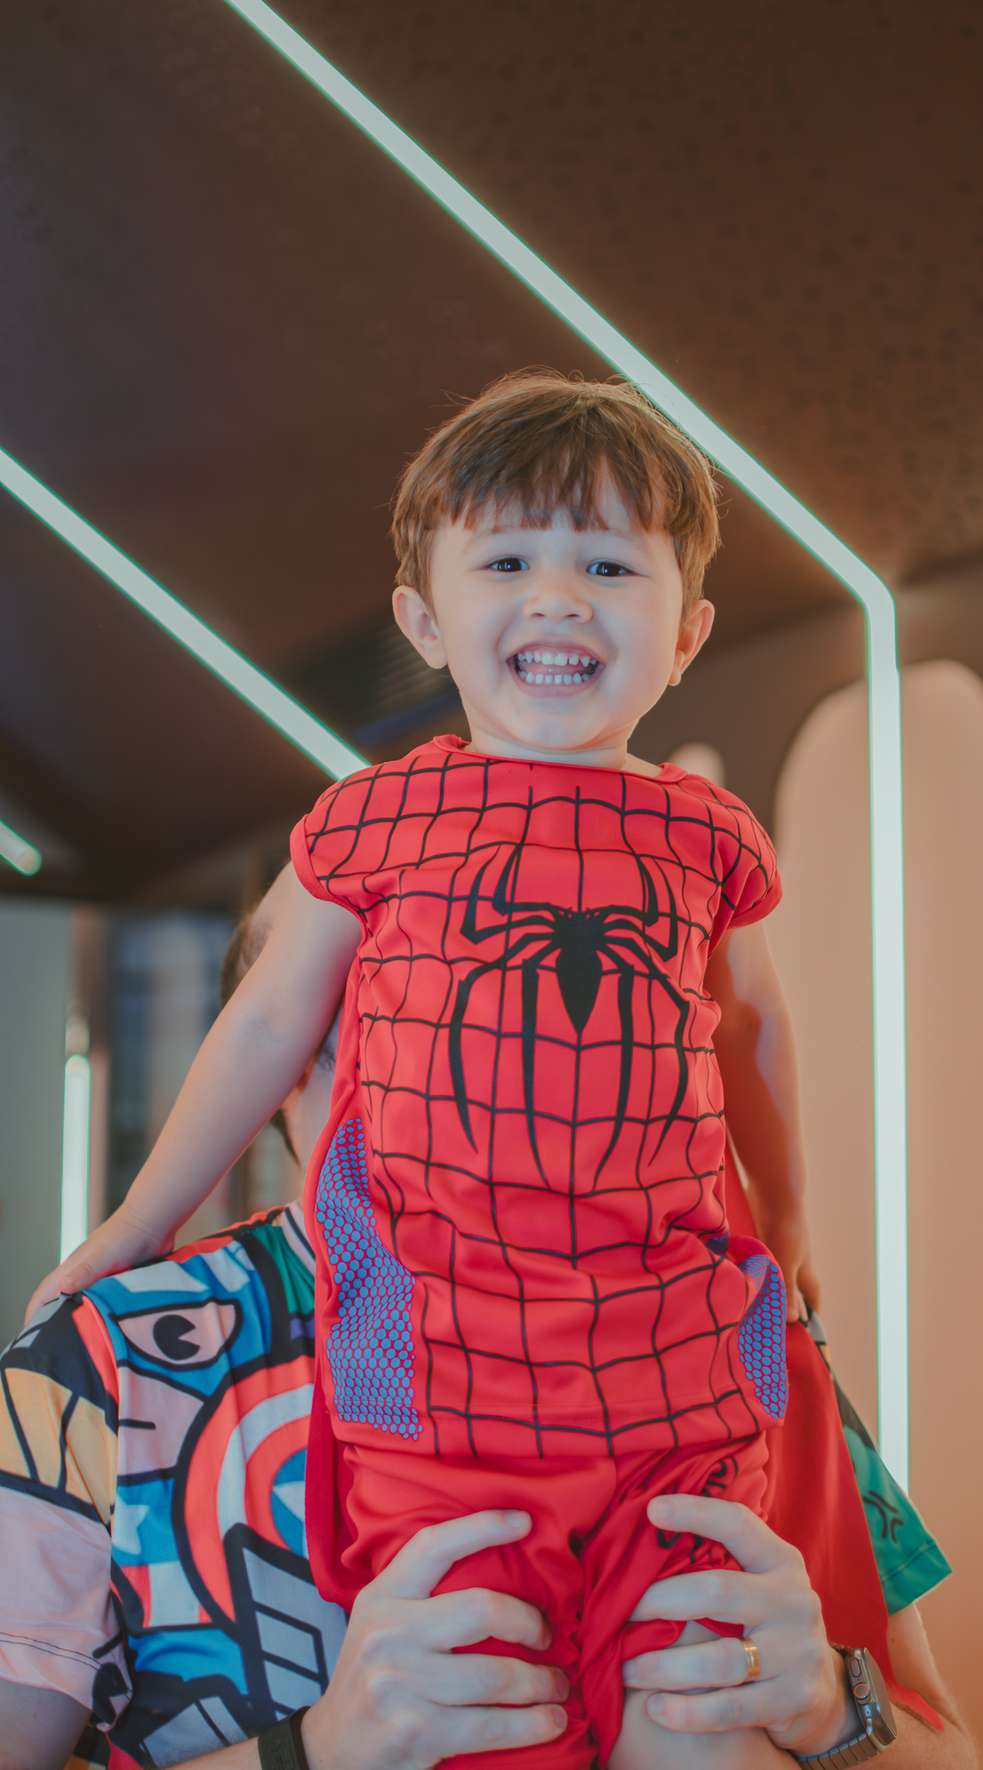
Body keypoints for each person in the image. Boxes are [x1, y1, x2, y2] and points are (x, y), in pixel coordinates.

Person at [25, 374, 910, 1765]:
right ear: (425, 622)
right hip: (441, 1385)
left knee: (704, 1719)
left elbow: (753, 1035)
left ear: (685, 634)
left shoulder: (703, 839)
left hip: (670, 1383)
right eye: (507, 562)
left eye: (609, 566)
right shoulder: (380, 819)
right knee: (477, 1713)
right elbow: (263, 1025)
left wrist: (786, 1232)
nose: (558, 598)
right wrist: (139, 1225)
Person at [0, 925, 973, 1767]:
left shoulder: (741, 1330)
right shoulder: (101, 1367)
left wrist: (833, 1712)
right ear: (278, 1062)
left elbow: (956, 1751)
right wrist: (317, 1753)